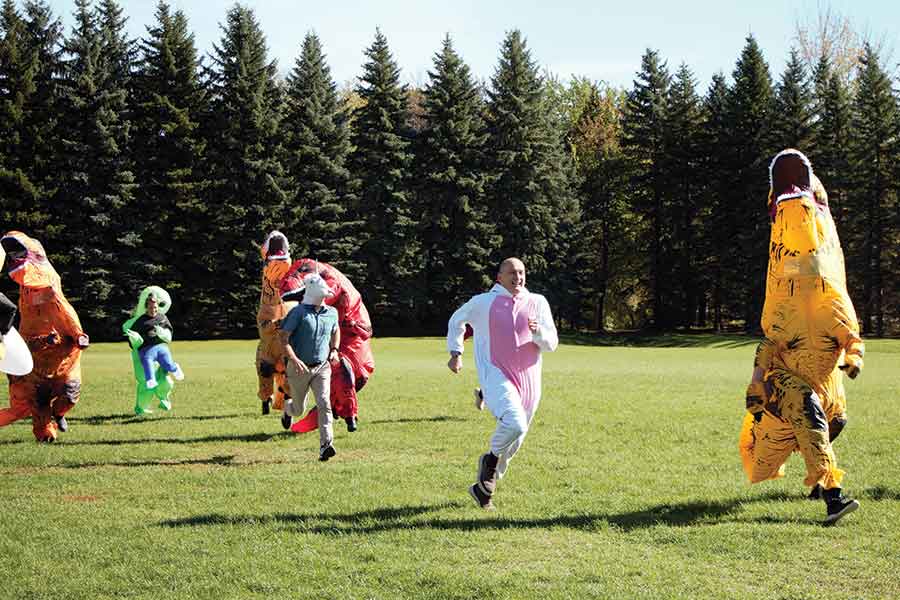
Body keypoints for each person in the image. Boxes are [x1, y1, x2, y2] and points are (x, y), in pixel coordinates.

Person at [739, 149, 863, 525]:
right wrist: (758, 381)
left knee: (835, 419)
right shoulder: (783, 299)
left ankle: (818, 476)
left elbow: (850, 336)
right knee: (804, 406)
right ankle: (833, 495)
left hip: (826, 387)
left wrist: (853, 358)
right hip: (786, 388)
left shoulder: (830, 298)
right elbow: (770, 343)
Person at [447, 257, 558, 509]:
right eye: (512, 273)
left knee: (516, 439)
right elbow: (456, 320)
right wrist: (456, 352)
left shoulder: (538, 302)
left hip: (530, 379)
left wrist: (538, 332)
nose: (518, 277)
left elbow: (551, 344)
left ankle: (484, 488)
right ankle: (489, 461)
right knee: (515, 423)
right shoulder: (483, 302)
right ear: (499, 277)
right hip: (496, 374)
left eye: (521, 272)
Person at [0, 231, 89, 442]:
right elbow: (24, 334)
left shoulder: (49, 284)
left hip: (64, 357)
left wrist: (78, 335)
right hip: (37, 361)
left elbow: (65, 311)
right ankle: (45, 434)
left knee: (70, 393)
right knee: (37, 401)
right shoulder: (24, 296)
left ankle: (59, 413)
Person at [279, 271, 340, 461]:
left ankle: (326, 445)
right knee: (298, 409)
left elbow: (335, 330)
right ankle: (287, 409)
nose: (324, 298)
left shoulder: (332, 312)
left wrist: (334, 349)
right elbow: (283, 338)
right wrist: (294, 360)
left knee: (324, 402)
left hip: (322, 367)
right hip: (299, 368)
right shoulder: (298, 313)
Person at [128, 292, 184, 389]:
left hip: (161, 346)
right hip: (146, 348)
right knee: (147, 360)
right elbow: (132, 335)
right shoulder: (141, 321)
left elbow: (169, 330)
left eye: (155, 307)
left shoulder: (162, 317)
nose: (153, 310)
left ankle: (175, 368)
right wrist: (134, 340)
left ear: (158, 307)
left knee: (167, 363)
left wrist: (163, 333)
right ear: (146, 308)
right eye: (150, 308)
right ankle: (150, 380)